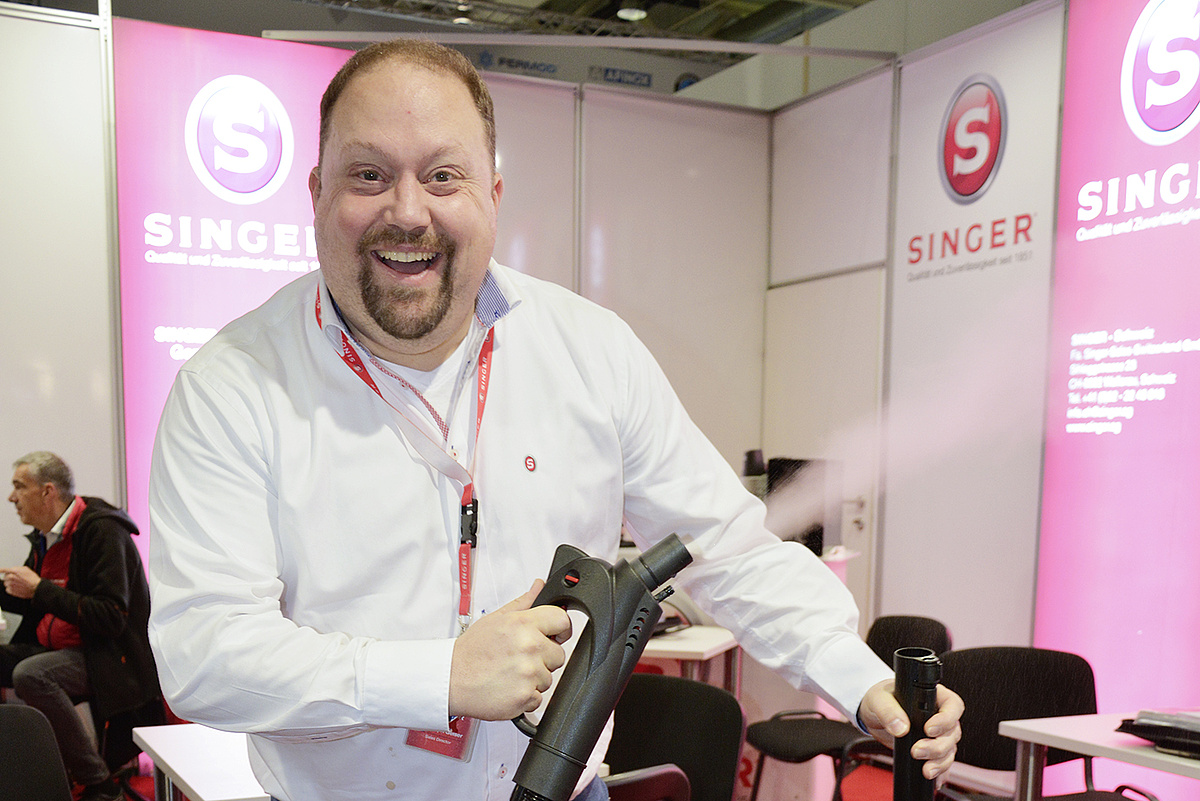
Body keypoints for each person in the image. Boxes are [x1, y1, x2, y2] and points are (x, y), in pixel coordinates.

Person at [147, 39, 963, 801]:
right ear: (317, 193)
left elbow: (727, 547)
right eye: (368, 175)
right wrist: (438, 676)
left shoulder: (590, 351)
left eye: (443, 176)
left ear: (493, 196)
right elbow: (203, 653)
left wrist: (860, 676)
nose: (408, 210)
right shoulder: (232, 386)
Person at [4, 451, 162, 801]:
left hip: (111, 657)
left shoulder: (102, 531)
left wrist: (38, 589)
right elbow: (35, 599)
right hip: (62, 647)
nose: (12, 497)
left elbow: (110, 616)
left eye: (19, 486)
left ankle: (99, 782)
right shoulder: (46, 536)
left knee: (32, 675)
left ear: (47, 491)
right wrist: (23, 590)